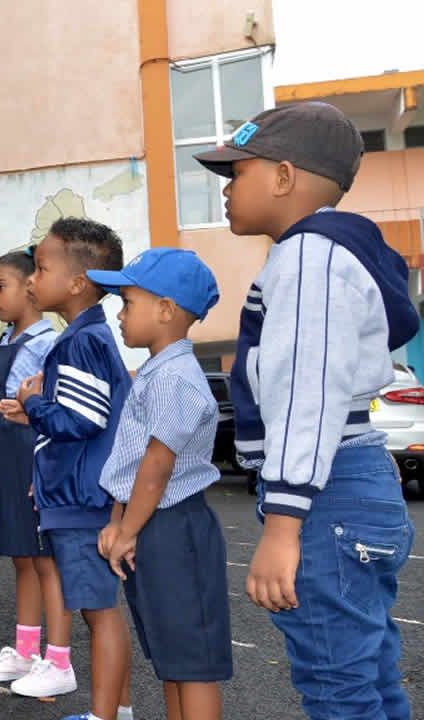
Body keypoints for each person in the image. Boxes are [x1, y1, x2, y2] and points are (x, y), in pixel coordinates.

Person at [195, 102, 418, 720]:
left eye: (236, 173)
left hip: (327, 494)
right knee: (366, 678)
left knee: (337, 689)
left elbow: (308, 391)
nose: (226, 189)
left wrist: (283, 523)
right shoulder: (325, 255)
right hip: (351, 482)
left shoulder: (308, 258)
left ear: (285, 177)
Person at [0, 218, 134, 720]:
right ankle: (118, 711)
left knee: (100, 614)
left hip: (83, 502)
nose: (32, 279)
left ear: (76, 283)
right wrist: (33, 410)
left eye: (42, 268)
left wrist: (33, 404)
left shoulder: (81, 341)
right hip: (80, 495)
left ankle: (105, 716)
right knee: (103, 612)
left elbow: (82, 420)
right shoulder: (87, 336)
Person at [88, 248, 231, 720]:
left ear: (166, 310)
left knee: (192, 664)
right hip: (150, 521)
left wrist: (126, 530)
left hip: (174, 526)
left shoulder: (176, 378)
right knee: (171, 658)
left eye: (128, 302)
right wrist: (118, 523)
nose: (121, 314)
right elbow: (130, 463)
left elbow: (156, 465)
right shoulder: (156, 373)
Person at [0, 248, 75, 693]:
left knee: (46, 559)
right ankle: (26, 650)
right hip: (2, 456)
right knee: (22, 557)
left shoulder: (50, 343)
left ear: (30, 286)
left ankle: (59, 660)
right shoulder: (3, 341)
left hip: (32, 456)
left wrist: (44, 471)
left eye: (1, 287)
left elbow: (56, 413)